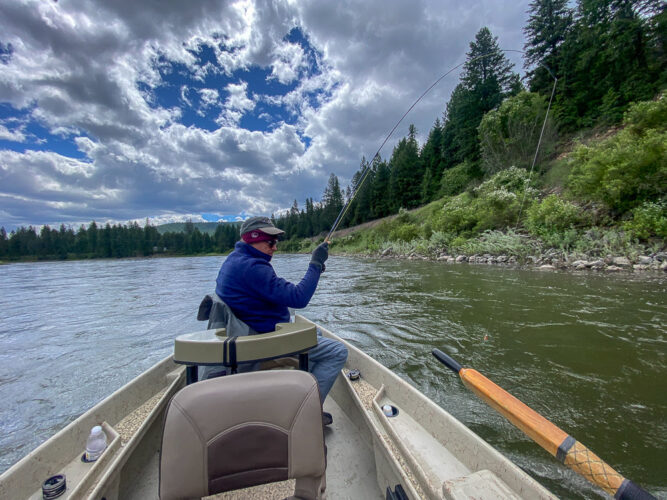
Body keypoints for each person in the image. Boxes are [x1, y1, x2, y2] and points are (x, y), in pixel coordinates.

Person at [215, 216, 348, 425]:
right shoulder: (253, 268)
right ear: (253, 239)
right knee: (338, 352)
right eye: (270, 242)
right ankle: (305, 414)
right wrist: (315, 263)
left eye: (276, 242)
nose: (275, 247)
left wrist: (315, 271)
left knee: (317, 334)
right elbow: (298, 298)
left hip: (250, 334)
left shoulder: (235, 260)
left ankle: (298, 390)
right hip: (264, 341)